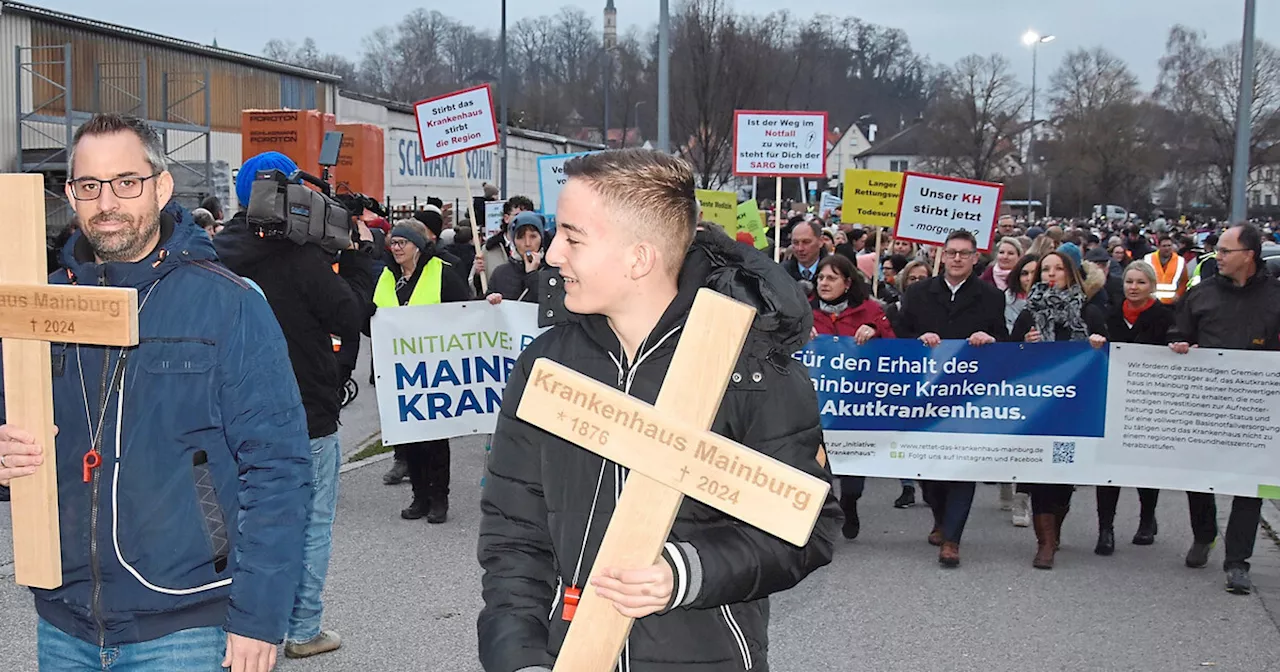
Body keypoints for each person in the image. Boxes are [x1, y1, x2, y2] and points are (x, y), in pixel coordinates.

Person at [477, 149, 840, 672]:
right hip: (569, 655)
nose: (553, 253)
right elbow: (514, 533)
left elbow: (810, 524)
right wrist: (519, 657)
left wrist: (686, 571)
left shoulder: (750, 368)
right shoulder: (547, 365)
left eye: (573, 237)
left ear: (639, 257)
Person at [0, 113, 310, 671]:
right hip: (64, 622)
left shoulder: (229, 304)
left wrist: (260, 619)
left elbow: (278, 470)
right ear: (71, 195)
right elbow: (11, 426)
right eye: (89, 186)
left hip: (184, 626)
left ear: (161, 186)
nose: (107, 202)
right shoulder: (39, 307)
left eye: (126, 182)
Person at [214, 153, 378, 659]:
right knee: (307, 524)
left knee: (236, 523)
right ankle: (302, 629)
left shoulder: (214, 253)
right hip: (305, 414)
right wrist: (356, 255)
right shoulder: (303, 258)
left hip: (228, 417)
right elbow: (351, 314)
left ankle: (231, 629)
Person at [1170, 223, 1280, 595]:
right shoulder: (1200, 294)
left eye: (1224, 251)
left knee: (1249, 485)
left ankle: (1238, 562)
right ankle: (1204, 534)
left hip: (1256, 410)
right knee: (1197, 477)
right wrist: (1181, 346)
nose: (1217, 256)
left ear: (1248, 255)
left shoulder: (1275, 297)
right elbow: (1177, 333)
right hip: (1204, 406)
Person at [895, 230, 1008, 567]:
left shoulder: (990, 297)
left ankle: (953, 539)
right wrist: (919, 339)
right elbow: (899, 334)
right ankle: (940, 518)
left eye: (964, 253)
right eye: (951, 253)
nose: (957, 258)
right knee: (929, 470)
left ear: (976, 258)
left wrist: (988, 338)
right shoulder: (917, 293)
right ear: (941, 256)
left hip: (968, 395)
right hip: (926, 394)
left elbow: (1003, 338)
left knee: (962, 465)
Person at [1010, 251, 1109, 569]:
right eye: (1045, 270)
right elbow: (1008, 359)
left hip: (1074, 408)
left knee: (1063, 480)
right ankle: (1045, 544)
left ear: (1070, 274)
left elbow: (1112, 359)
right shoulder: (1029, 314)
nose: (1051, 275)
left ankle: (1056, 528)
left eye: (1058, 269)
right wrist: (1025, 344)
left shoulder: (1089, 312)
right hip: (1038, 408)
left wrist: (1098, 348)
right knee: (1039, 476)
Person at [374, 219, 472, 522]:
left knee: (435, 439)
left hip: (435, 370)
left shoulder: (441, 273)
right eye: (393, 242)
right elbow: (376, 316)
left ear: (417, 245)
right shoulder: (388, 277)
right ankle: (419, 497)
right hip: (401, 372)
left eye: (402, 242)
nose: (396, 247)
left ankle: (439, 498)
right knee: (411, 437)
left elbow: (467, 312)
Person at [809, 254, 894, 540]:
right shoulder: (805, 310)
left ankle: (850, 502)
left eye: (831, 278)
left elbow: (895, 350)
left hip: (854, 404)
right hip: (816, 404)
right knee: (819, 466)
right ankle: (828, 514)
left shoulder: (869, 310)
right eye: (820, 277)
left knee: (854, 471)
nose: (824, 283)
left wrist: (875, 331)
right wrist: (797, 332)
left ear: (847, 283)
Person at [1096, 261, 1170, 555]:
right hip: (1113, 398)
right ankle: (1105, 529)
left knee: (1143, 466)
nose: (1134, 287)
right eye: (1129, 282)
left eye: (1140, 282)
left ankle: (1147, 518)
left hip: (1147, 401)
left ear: (1150, 285)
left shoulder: (1164, 316)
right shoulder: (1110, 315)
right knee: (1108, 468)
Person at [485, 212, 546, 304]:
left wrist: (532, 274)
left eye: (533, 236)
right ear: (514, 241)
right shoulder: (500, 273)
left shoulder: (553, 271)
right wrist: (491, 299)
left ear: (541, 238)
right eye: (521, 237)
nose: (527, 243)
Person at [1145, 234, 1188, 305]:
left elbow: (1184, 281)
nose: (1167, 248)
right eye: (1164, 246)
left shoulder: (1180, 261)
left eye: (1169, 245)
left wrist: (1178, 294)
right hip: (1151, 302)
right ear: (1158, 247)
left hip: (1171, 303)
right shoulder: (1148, 259)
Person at [783, 219, 827, 284]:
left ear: (820, 241)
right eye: (795, 243)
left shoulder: (834, 271)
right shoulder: (782, 272)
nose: (800, 248)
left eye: (806, 242)